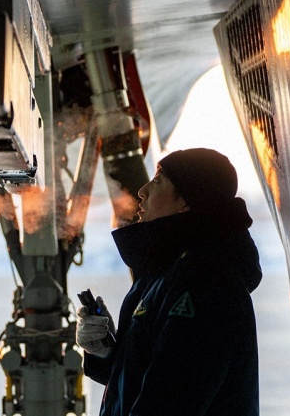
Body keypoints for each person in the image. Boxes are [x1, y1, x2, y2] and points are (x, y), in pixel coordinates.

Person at [76, 148, 262, 415]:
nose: (143, 190)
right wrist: (104, 350)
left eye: (159, 180)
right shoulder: (164, 274)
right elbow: (146, 380)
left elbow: (171, 400)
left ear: (186, 201)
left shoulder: (206, 284)